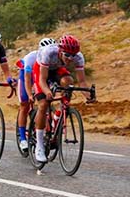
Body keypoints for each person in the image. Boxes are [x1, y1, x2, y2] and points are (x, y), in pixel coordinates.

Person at [32, 35, 92, 163]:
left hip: (57, 69)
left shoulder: (78, 57)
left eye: (73, 56)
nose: (70, 59)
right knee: (43, 104)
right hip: (41, 70)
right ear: (60, 51)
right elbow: (42, 80)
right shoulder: (48, 52)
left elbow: (81, 82)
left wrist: (89, 96)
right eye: (67, 55)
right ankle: (39, 146)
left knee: (68, 82)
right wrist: (47, 91)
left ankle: (60, 112)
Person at [16, 38, 55, 152]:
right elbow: (28, 79)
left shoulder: (51, 59)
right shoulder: (31, 58)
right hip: (26, 76)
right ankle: (23, 139)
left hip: (40, 75)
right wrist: (29, 94)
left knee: (45, 102)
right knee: (24, 105)